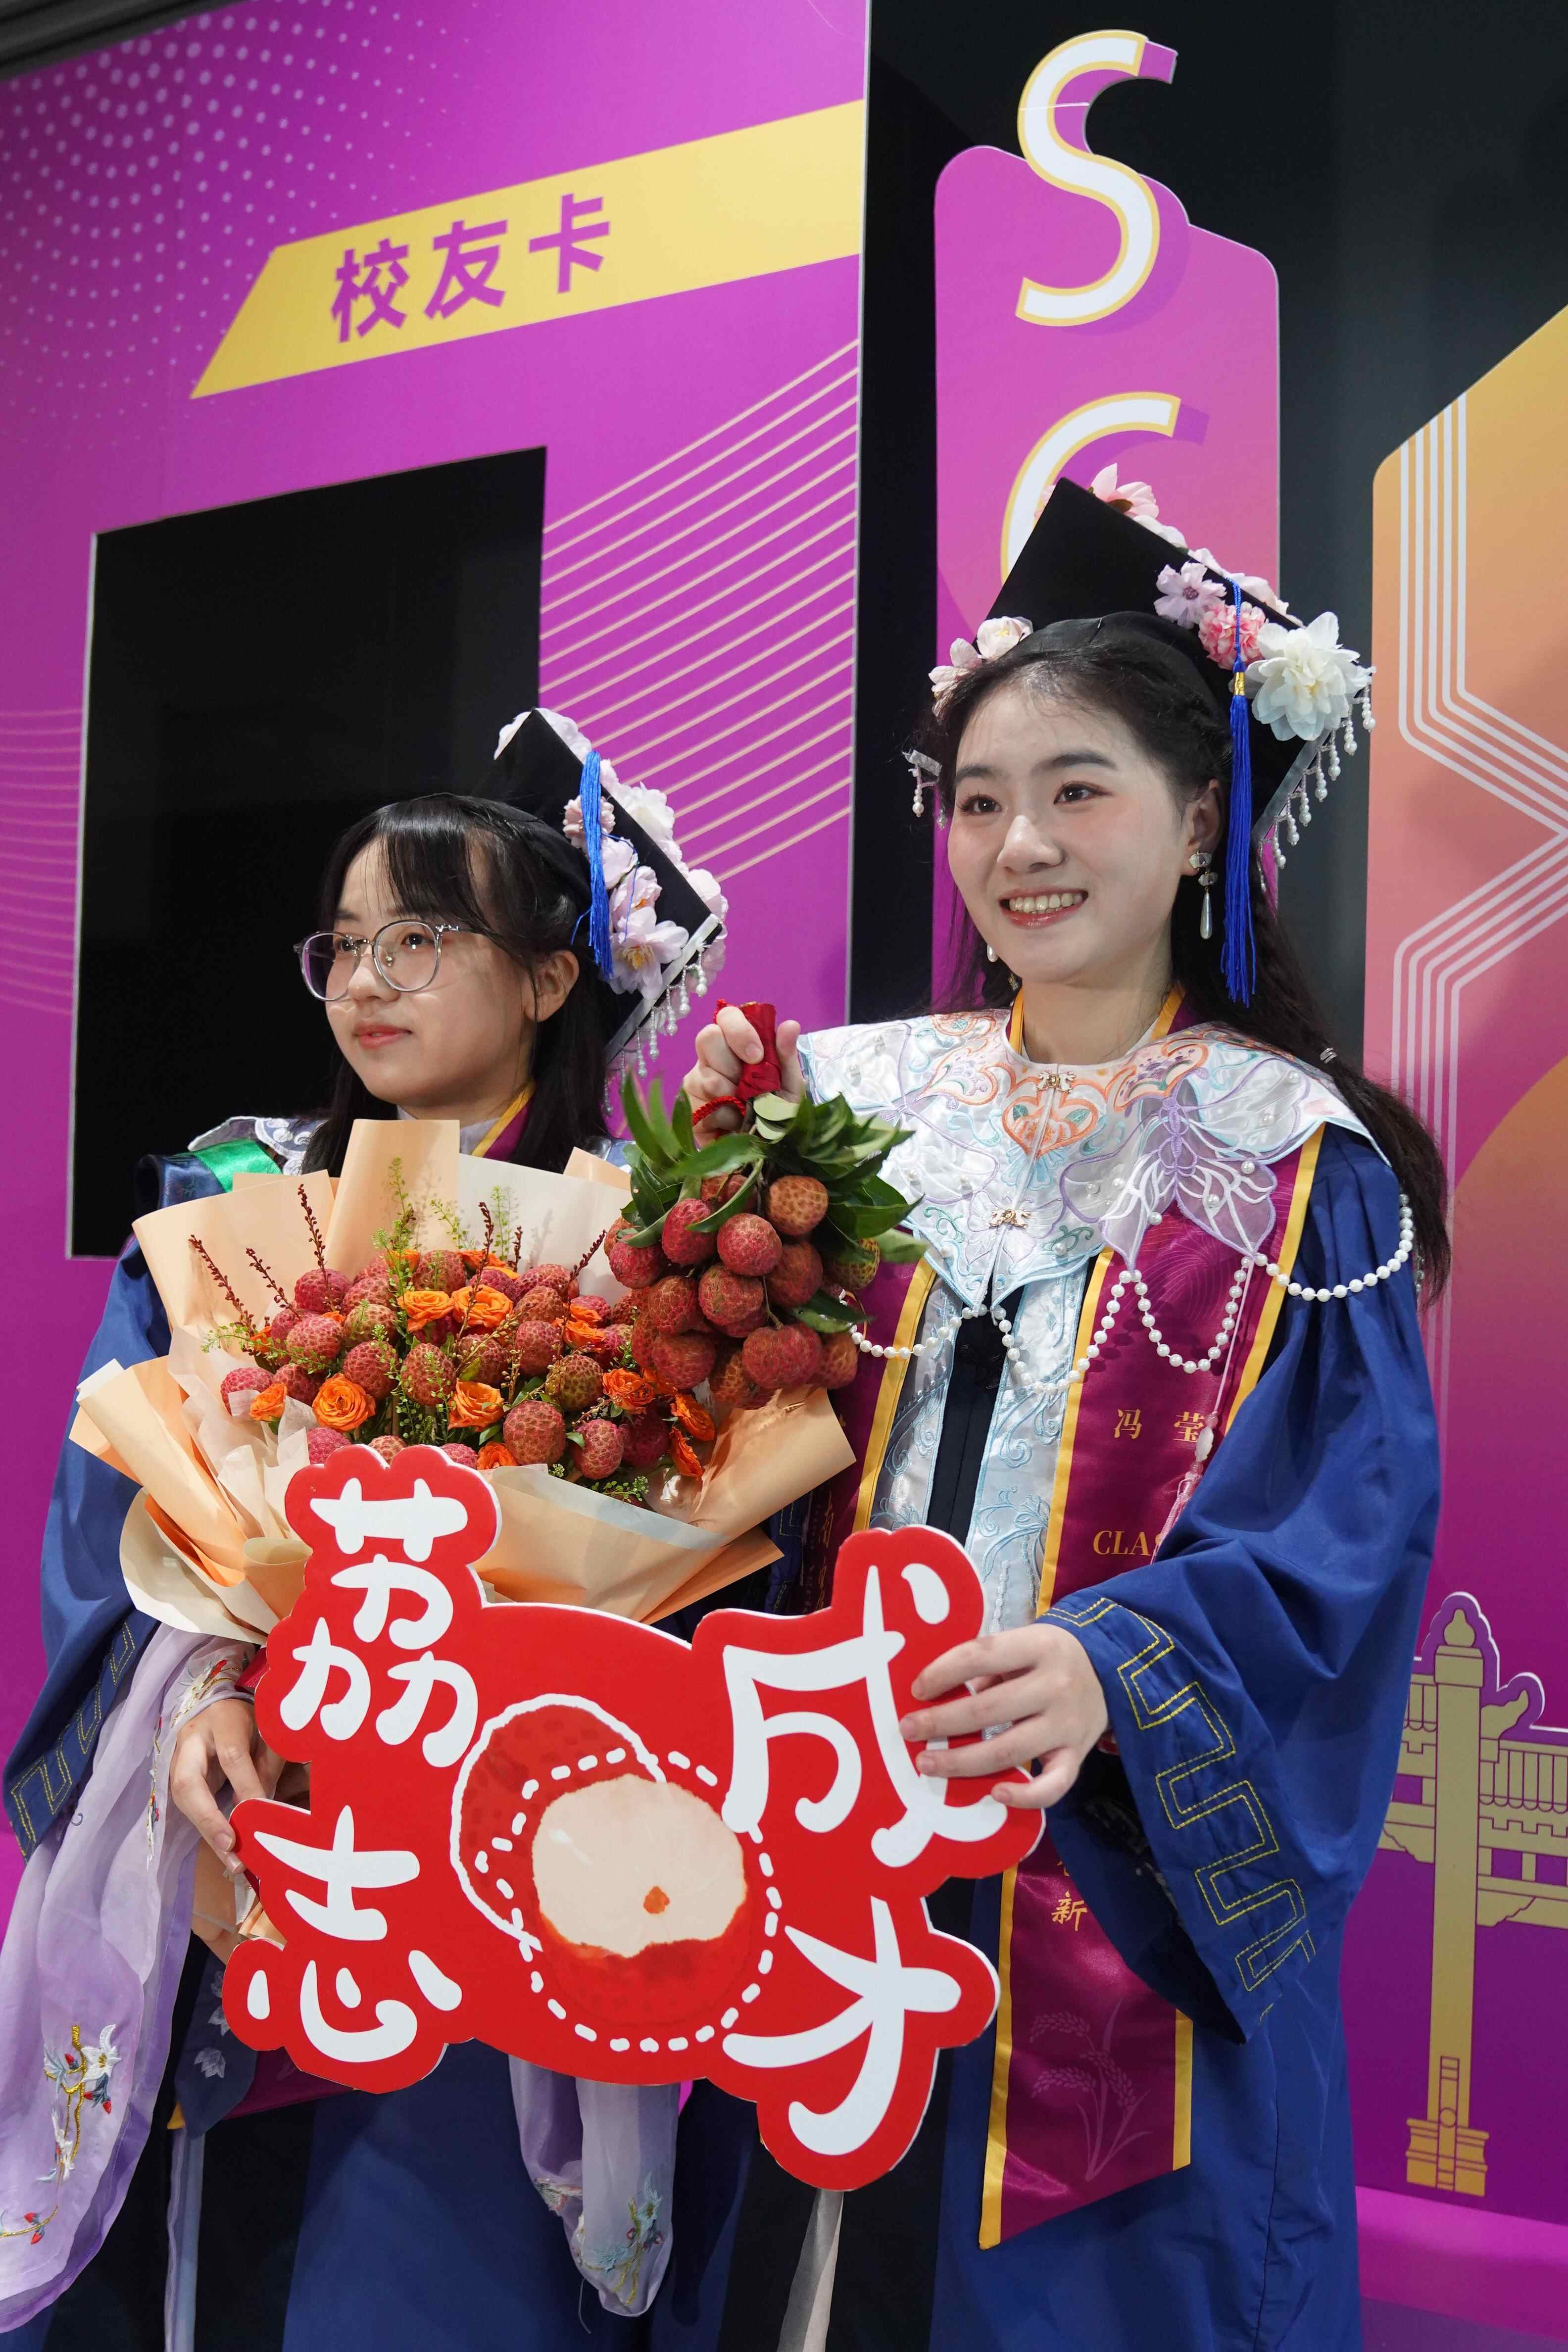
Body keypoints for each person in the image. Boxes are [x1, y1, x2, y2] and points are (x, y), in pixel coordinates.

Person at [659, 479, 1444, 2352]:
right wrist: (700, 1220)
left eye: (1079, 790)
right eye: (979, 799)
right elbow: (718, 1465)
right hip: (819, 1857)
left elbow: (1341, 1547)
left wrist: (1115, 1667)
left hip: (1094, 1875)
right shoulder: (853, 1110)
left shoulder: (1294, 1164)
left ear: (1202, 819)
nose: (1020, 844)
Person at [0, 709, 724, 2350]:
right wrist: (194, 1695)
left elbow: (705, 1577)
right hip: (250, 1832)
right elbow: (112, 1521)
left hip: (506, 1869)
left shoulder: (651, 1254)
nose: (369, 980)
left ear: (552, 978)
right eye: (345, 942)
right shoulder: (231, 1209)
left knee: (431, 2281)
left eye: (425, 937)